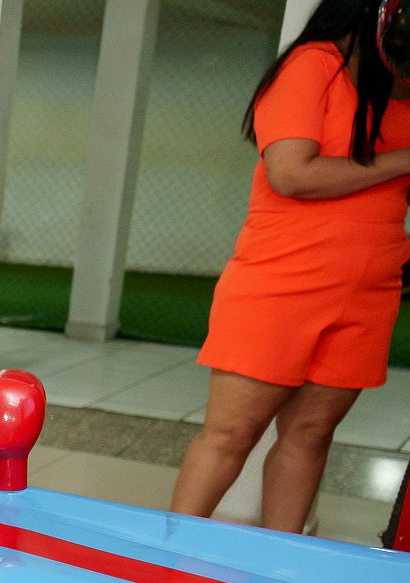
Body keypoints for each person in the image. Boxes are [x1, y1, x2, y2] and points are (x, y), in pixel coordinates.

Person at [171, 0, 410, 532]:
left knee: (311, 434)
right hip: (281, 283)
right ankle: (166, 564)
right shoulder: (310, 65)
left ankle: (281, 566)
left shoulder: (397, 83)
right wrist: (404, 158)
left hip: (368, 291)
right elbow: (291, 174)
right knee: (231, 435)